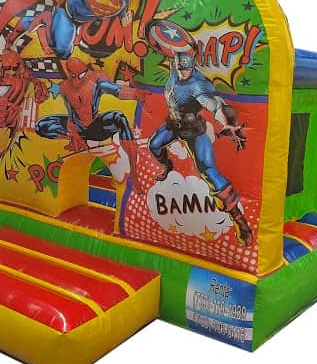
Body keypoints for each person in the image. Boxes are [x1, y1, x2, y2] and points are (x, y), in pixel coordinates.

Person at [148, 52, 254, 246]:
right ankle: (167, 165)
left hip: (194, 131)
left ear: (192, 67)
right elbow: (165, 45)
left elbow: (213, 104)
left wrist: (226, 123)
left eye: (187, 69)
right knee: (154, 145)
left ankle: (239, 219)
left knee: (209, 172)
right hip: (173, 125)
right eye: (181, 68)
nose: (184, 72)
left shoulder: (196, 85)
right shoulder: (175, 68)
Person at [36, 57, 147, 193]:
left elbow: (116, 90)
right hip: (78, 127)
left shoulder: (95, 81)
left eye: (84, 73)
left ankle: (134, 175)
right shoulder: (65, 88)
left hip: (96, 127)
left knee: (119, 118)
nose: (82, 78)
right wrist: (73, 133)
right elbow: (70, 112)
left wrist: (135, 94)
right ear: (71, 74)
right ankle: (75, 139)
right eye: (77, 75)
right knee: (41, 125)